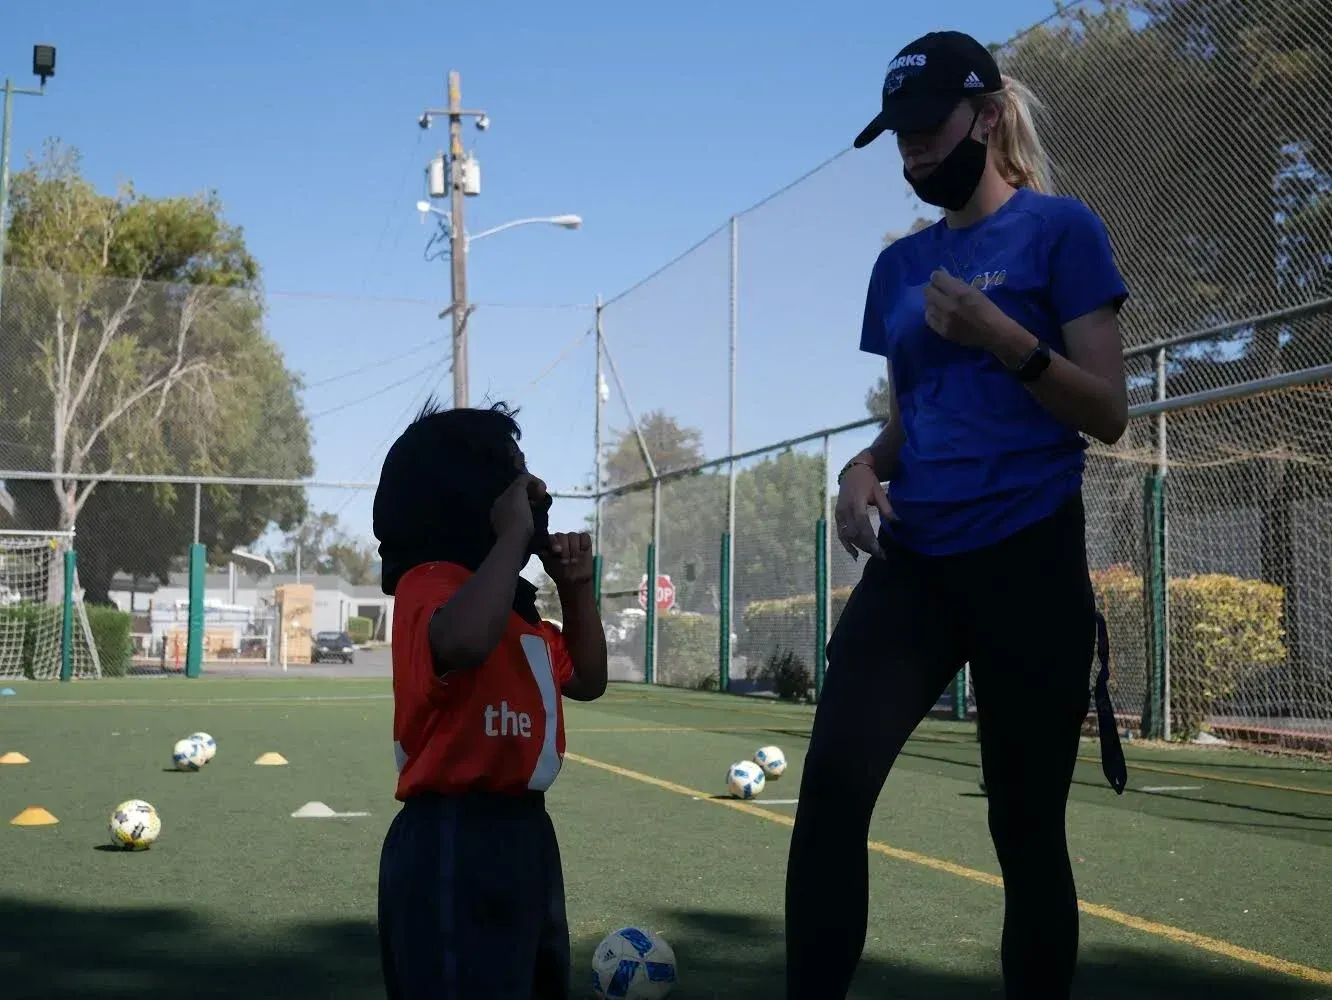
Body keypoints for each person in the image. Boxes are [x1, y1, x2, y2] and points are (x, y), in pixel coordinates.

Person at [784, 30, 1128, 1000]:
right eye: (899, 137)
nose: (914, 154)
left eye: (929, 129)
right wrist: (858, 467)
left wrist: (1002, 335)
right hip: (916, 568)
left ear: (984, 115)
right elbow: (915, 423)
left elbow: (1107, 410)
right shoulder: (897, 271)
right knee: (831, 796)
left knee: (1023, 830)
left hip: (1029, 564)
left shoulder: (1065, 233)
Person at [373, 398, 608, 999]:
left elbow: (586, 677)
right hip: (450, 838)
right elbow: (467, 640)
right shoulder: (433, 586)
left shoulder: (515, 611)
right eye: (516, 479)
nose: (536, 496)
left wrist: (575, 589)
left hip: (526, 832)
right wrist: (511, 539)